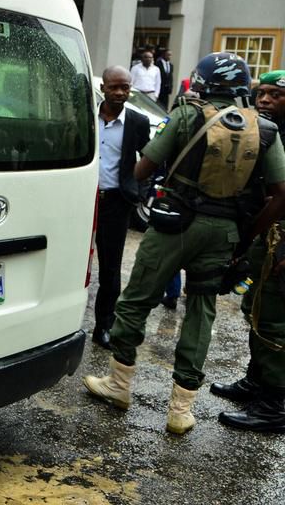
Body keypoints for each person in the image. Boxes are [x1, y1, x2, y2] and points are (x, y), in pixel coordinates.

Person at [83, 52, 285, 435]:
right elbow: (280, 193)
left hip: (173, 226)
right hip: (223, 235)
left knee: (137, 300)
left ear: (204, 81)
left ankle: (119, 385)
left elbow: (143, 168)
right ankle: (181, 409)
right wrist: (247, 234)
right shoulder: (267, 130)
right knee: (201, 311)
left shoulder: (188, 114)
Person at [213, 69, 285, 433]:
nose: (265, 100)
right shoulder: (265, 133)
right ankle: (256, 381)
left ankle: (275, 404)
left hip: (283, 244)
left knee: (274, 320)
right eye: (261, 93)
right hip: (266, 239)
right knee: (254, 307)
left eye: (276, 94)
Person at [92, 66, 151, 349]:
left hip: (116, 202)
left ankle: (103, 325)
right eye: (114, 87)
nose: (120, 93)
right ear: (103, 88)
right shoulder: (86, 116)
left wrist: (139, 192)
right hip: (81, 200)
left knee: (110, 270)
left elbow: (151, 161)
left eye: (125, 88)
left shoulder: (138, 122)